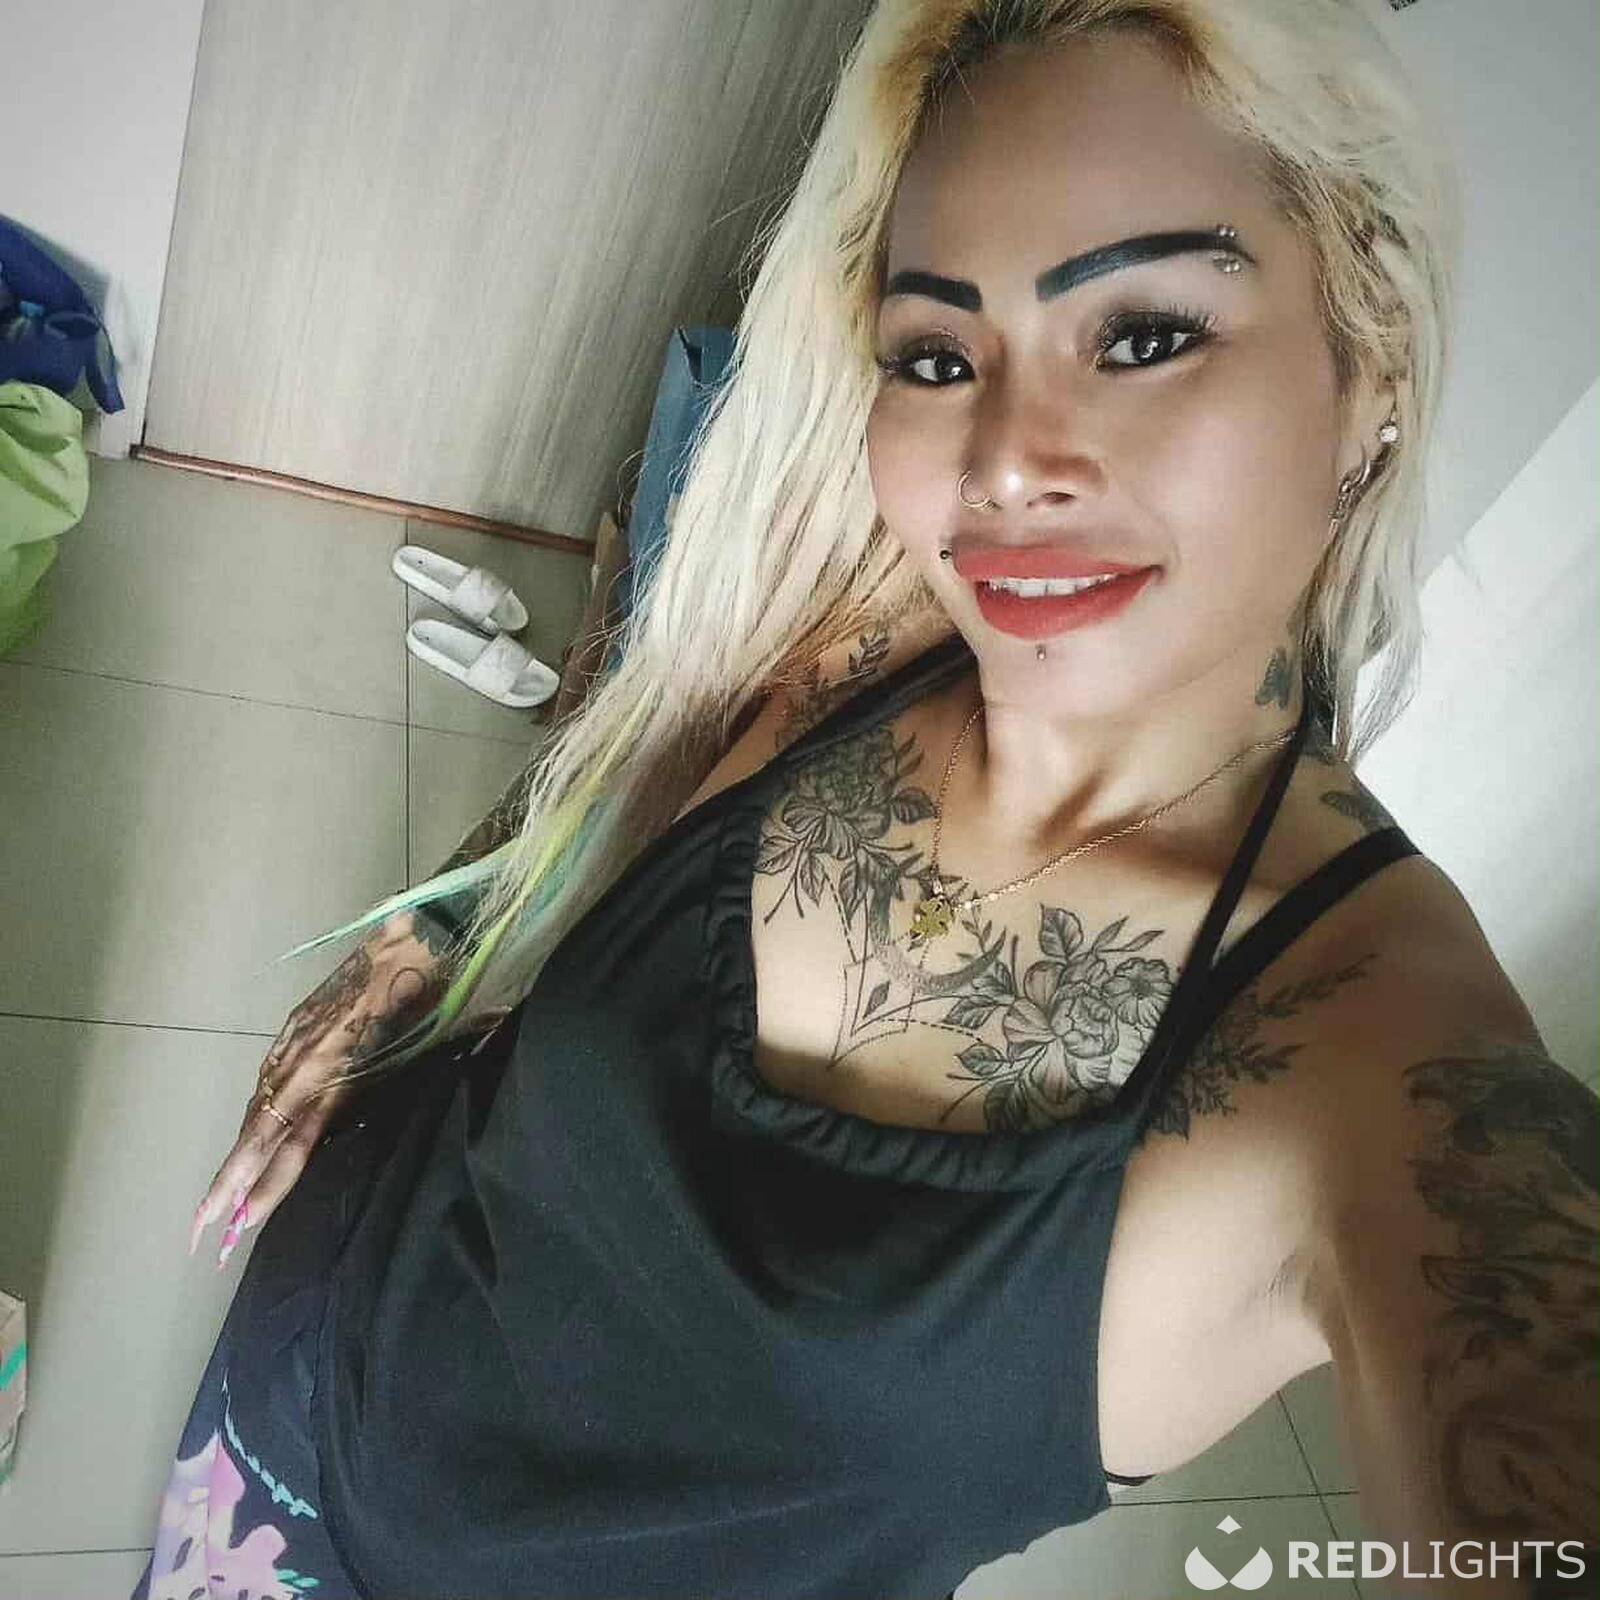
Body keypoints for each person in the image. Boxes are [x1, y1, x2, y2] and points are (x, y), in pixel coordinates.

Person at [136, 2, 1600, 1597]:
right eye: (938, 356)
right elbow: (620, 782)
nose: (1006, 462)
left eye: (1143, 335)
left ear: (1369, 371)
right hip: (289, 1403)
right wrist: (432, 938)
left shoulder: (1373, 1065)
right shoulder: (867, 645)